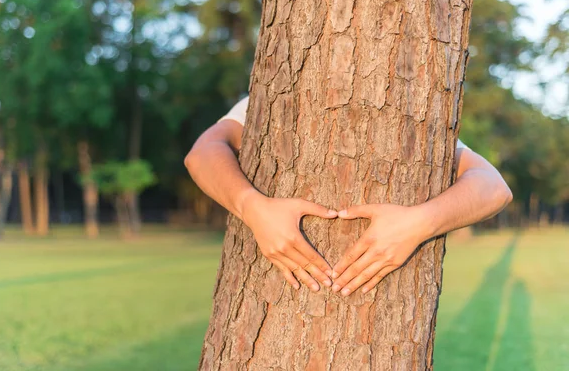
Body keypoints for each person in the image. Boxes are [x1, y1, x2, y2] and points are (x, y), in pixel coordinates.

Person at [185, 96, 513, 297]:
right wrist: (251, 206)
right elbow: (202, 153)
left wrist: (420, 222)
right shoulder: (274, 95)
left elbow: (493, 187)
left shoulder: (414, 111)